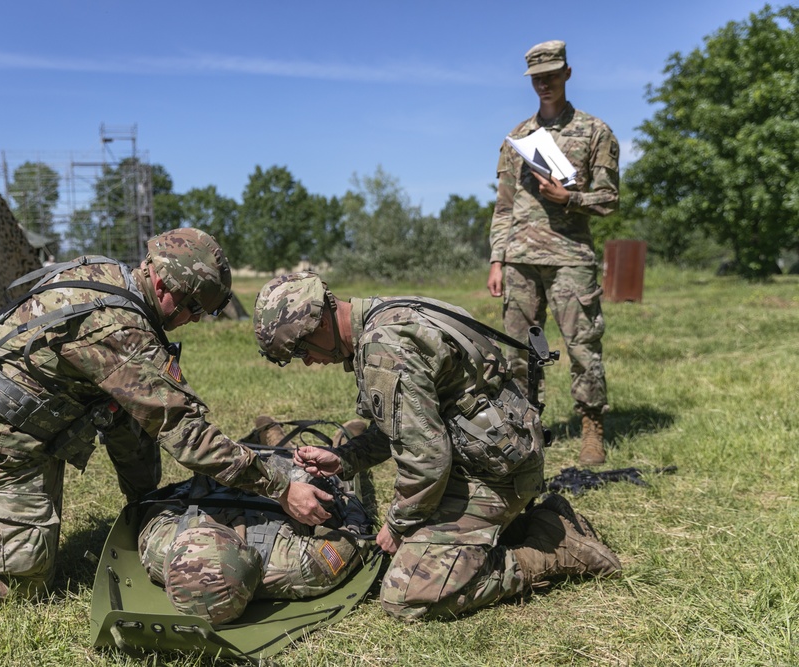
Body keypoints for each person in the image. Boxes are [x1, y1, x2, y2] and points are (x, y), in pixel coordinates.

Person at [0, 228, 332, 599]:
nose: (193, 321)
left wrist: (146, 506)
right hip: (0, 440)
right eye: (194, 309)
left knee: (132, 420)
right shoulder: (116, 327)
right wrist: (279, 486)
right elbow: (180, 429)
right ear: (167, 287)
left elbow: (136, 419)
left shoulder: (116, 282)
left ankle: (141, 507)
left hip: (40, 420)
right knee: (15, 581)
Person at [252, 271, 621, 621]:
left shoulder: (384, 348)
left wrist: (397, 525)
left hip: (493, 477)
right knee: (419, 547)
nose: (310, 362)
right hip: (489, 459)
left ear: (319, 324)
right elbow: (405, 425)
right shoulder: (390, 311)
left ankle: (554, 552)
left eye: (303, 350)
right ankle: (539, 522)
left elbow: (427, 460)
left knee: (406, 592)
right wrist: (345, 458)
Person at [486, 40, 620, 466]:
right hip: (521, 261)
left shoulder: (595, 131)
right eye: (536, 78)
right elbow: (503, 204)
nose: (544, 83)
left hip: (569, 258)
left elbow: (610, 199)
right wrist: (497, 258)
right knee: (521, 350)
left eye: (551, 74)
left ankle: (591, 428)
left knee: (581, 345)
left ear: (567, 74)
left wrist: (569, 198)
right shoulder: (517, 139)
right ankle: (526, 427)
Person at [137, 418, 373, 625]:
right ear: (248, 561)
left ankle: (270, 435)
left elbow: (154, 515)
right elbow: (351, 540)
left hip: (245, 473)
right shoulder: (293, 565)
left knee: (255, 455)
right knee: (328, 472)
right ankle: (343, 441)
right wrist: (344, 504)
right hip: (299, 482)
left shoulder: (161, 548)